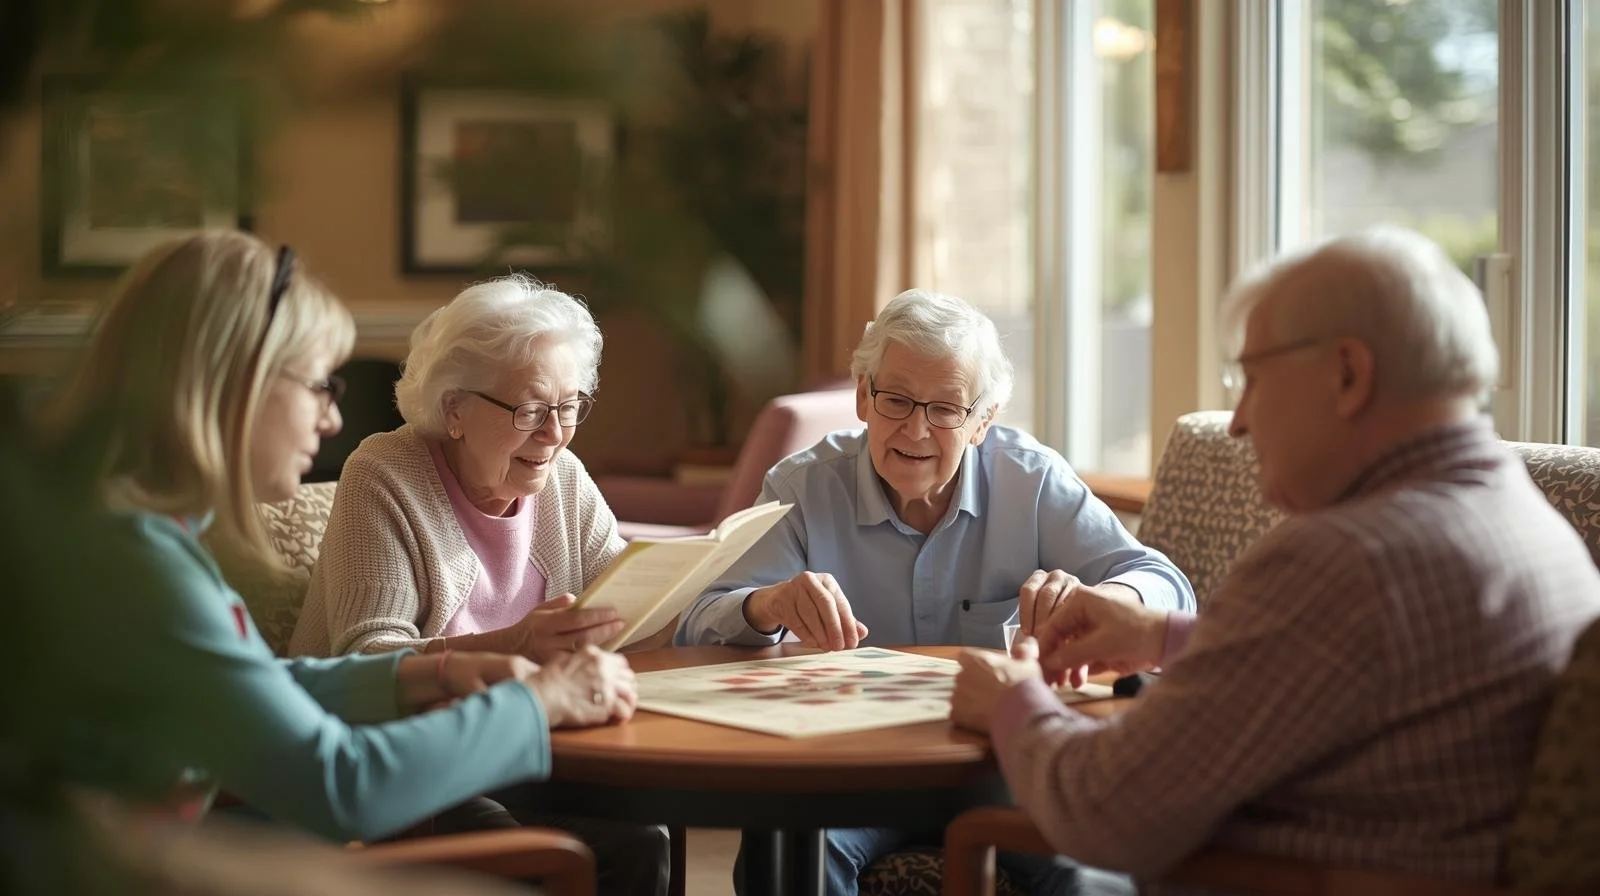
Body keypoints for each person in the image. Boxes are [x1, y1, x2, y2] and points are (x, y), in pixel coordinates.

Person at [951, 226, 1600, 889]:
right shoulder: (1522, 518)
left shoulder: (1347, 557)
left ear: (1348, 374)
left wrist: (1012, 703)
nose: (1238, 421)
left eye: (1252, 378)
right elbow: (1376, 672)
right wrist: (1164, 634)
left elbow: (1104, 811)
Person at [24, 230, 638, 860]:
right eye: (320, 385)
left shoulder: (137, 533)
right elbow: (342, 785)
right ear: (234, 386)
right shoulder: (137, 566)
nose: (332, 419)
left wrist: (434, 673)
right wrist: (534, 705)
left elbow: (252, 687)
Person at [676, 288, 1194, 895]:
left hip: (1003, 765)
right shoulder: (804, 486)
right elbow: (698, 622)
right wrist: (764, 606)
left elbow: (1167, 586)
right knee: (784, 853)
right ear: (863, 396)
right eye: (896, 399)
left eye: (945, 408)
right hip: (856, 771)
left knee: (1089, 867)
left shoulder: (1031, 481)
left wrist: (1110, 600)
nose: (915, 429)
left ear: (983, 420)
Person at [287, 273, 668, 895]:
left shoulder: (562, 476)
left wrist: (748, 605)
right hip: (398, 759)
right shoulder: (383, 473)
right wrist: (517, 643)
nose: (554, 434)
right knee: (527, 854)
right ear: (454, 407)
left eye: (568, 406)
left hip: (523, 744)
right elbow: (369, 661)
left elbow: (632, 596)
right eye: (530, 409)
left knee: (640, 838)